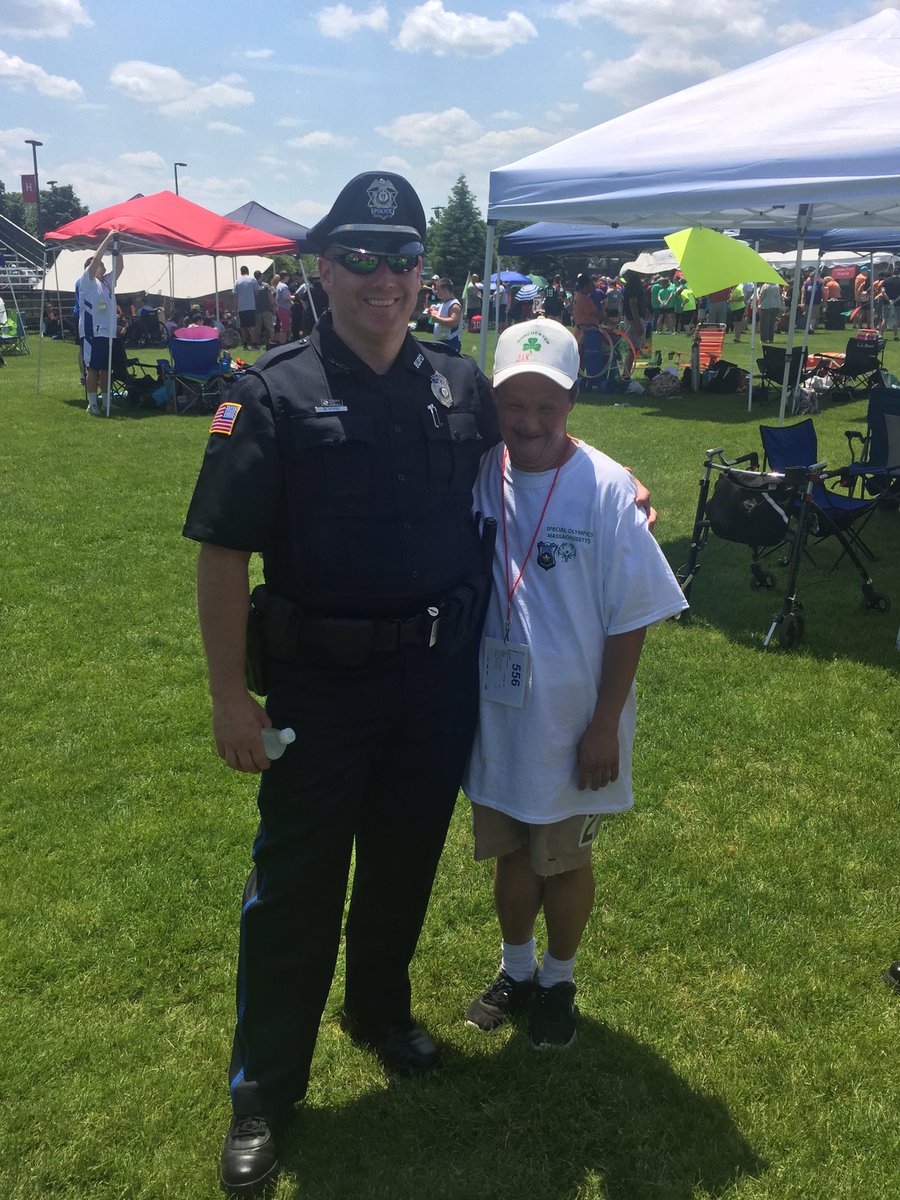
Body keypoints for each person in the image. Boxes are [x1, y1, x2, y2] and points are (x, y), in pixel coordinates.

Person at [183, 171, 500, 1198]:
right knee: (296, 890)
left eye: (403, 259)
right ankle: (264, 1093)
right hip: (319, 689)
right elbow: (223, 553)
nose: (384, 278)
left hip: (435, 678)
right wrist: (233, 699)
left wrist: (607, 473)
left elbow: (534, 454)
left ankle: (378, 1012)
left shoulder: (458, 383)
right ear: (321, 269)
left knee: (404, 863)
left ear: (424, 274)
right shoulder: (269, 393)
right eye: (361, 258)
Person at [461, 319, 686, 1049]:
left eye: (546, 409)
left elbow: (633, 618)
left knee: (565, 860)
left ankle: (559, 980)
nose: (529, 423)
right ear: (495, 401)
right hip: (499, 716)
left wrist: (603, 724)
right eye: (515, 406)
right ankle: (515, 969)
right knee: (512, 853)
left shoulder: (607, 488)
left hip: (573, 721)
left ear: (573, 403)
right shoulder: (479, 470)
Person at [79, 230, 125, 416]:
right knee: (94, 368)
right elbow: (96, 259)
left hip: (108, 332)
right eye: (98, 264)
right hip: (93, 331)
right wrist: (107, 239)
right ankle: (93, 404)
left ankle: (107, 402)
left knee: (106, 369)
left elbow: (120, 267)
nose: (102, 265)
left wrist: (117, 246)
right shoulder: (87, 281)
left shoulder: (106, 282)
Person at [429, 276, 462, 351]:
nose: (436, 292)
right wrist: (433, 314)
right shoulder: (444, 303)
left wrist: (437, 319)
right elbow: (441, 318)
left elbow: (454, 322)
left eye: (438, 289)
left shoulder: (454, 305)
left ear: (445, 289)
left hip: (451, 342)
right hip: (442, 341)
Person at [233, 267, 258, 350]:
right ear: (248, 271)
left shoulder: (237, 281)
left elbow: (235, 296)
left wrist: (235, 309)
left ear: (241, 272)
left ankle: (245, 344)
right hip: (251, 306)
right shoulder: (253, 280)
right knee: (252, 326)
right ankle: (254, 344)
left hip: (242, 307)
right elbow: (256, 292)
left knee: (243, 326)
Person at [253, 270, 276, 349]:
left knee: (257, 328)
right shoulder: (266, 285)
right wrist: (273, 306)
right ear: (261, 276)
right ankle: (271, 341)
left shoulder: (253, 286)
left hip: (257, 310)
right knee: (270, 326)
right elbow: (270, 297)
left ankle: (257, 343)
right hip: (266, 309)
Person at [274, 271, 292, 345]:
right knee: (284, 327)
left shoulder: (279, 285)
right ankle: (282, 342)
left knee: (284, 325)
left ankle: (284, 340)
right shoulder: (284, 286)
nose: (289, 278)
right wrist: (293, 297)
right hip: (283, 308)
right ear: (285, 277)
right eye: (288, 276)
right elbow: (285, 298)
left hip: (280, 307)